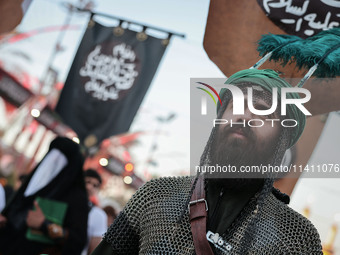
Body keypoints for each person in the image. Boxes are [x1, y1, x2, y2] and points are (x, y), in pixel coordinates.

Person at [92, 69, 322, 254]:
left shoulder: (296, 239)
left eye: (263, 112)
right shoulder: (157, 195)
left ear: (281, 142)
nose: (246, 116)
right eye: (237, 106)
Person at [0, 136, 88, 255]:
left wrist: (45, 225)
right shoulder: (36, 180)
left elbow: (77, 242)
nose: (52, 161)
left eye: (58, 159)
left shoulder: (76, 197)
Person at [82, 169, 107, 255]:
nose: (89, 187)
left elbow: (93, 250)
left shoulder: (99, 215)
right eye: (87, 182)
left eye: (95, 185)